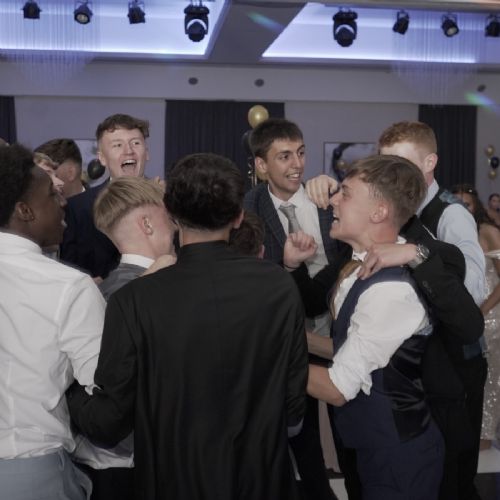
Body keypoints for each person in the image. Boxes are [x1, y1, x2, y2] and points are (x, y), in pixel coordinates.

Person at [67, 152, 308, 500]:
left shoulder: (135, 300)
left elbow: (109, 421)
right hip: (263, 479)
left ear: (172, 214)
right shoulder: (278, 285)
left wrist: (69, 390)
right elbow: (293, 406)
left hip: (174, 481)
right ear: (239, 216)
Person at [305, 121, 487, 500]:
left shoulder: (445, 226)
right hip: (374, 424)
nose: (394, 171)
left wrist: (416, 254)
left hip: (420, 412)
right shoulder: (356, 250)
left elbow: (470, 313)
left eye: (400, 163)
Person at [300, 154, 444, 499]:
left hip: (399, 456)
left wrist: (262, 359)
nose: (333, 200)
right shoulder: (363, 268)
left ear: (379, 212)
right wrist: (293, 340)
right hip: (375, 446)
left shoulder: (390, 290)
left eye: (346, 193)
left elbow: (338, 386)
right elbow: (353, 348)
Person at [0, 144, 105, 499]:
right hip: (29, 470)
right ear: (24, 210)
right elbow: (104, 389)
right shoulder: (67, 286)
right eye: (51, 194)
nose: (63, 203)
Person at [243, 117, 341, 500]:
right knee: (300, 435)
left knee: (346, 429)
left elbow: (348, 256)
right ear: (261, 165)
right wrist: (288, 267)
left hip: (337, 328)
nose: (297, 164)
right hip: (282, 338)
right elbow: (251, 274)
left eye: (300, 153)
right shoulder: (248, 208)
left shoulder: (326, 198)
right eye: (284, 156)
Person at [60, 114, 151, 280]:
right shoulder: (76, 209)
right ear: (102, 158)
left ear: (147, 153)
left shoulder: (169, 202)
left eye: (136, 143)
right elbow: (69, 267)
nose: (129, 151)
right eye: (118, 145)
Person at [452, 184, 500, 450]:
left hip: (490, 316)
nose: (461, 209)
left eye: (467, 204)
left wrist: (482, 311)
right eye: (456, 204)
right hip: (462, 319)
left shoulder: (488, 232)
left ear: (476, 206)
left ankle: (484, 438)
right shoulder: (450, 234)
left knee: (490, 379)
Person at [94, 176, 177, 301]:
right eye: (168, 217)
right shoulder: (127, 295)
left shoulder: (110, 290)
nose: (175, 226)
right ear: (147, 224)